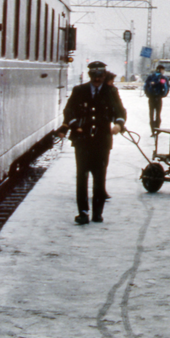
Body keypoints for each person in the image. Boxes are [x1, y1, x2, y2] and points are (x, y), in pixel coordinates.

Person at [58, 61, 127, 225]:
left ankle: (97, 212)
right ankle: (83, 212)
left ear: (104, 76)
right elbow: (69, 111)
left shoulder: (111, 91)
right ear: (90, 76)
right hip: (82, 140)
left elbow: (120, 111)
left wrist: (118, 124)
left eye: (101, 76)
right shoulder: (79, 90)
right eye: (95, 76)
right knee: (82, 176)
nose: (98, 79)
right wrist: (74, 125)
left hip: (102, 140)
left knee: (99, 177)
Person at [144, 64, 169, 131]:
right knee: (158, 114)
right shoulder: (162, 78)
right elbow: (165, 87)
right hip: (158, 98)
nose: (163, 72)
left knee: (151, 113)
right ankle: (157, 128)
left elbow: (145, 86)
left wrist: (148, 94)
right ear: (161, 70)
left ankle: (152, 129)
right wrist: (163, 95)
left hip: (151, 98)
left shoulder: (150, 77)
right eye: (163, 70)